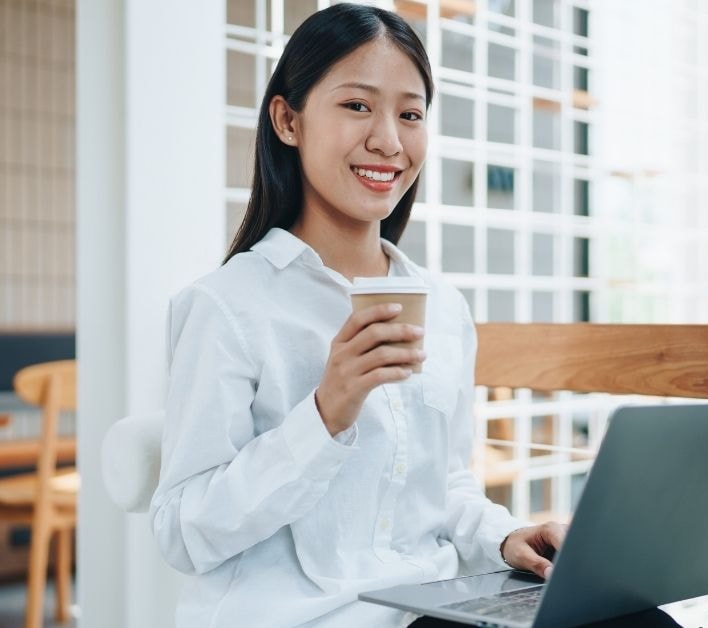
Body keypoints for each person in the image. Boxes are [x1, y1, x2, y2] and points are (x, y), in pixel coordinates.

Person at [150, 4, 567, 626]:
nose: (389, 140)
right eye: (357, 106)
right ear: (288, 120)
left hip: (431, 606)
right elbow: (181, 531)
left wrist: (508, 539)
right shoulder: (226, 307)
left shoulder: (443, 308)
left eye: (410, 114)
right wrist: (325, 416)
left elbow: (445, 489)